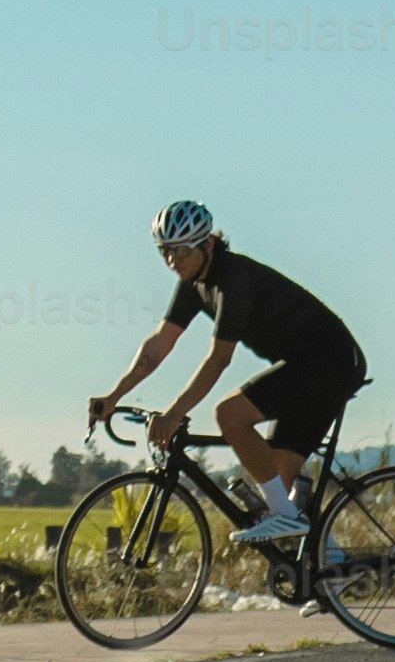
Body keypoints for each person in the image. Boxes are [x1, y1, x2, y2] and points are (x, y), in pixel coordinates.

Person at [89, 201, 368, 548]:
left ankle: (287, 518)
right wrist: (113, 397)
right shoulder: (193, 283)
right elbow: (157, 347)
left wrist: (174, 415)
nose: (173, 260)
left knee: (230, 414)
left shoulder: (233, 279)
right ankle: (331, 566)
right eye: (165, 252)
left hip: (329, 361)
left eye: (181, 251)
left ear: (207, 244)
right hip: (308, 365)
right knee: (277, 481)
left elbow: (219, 359)